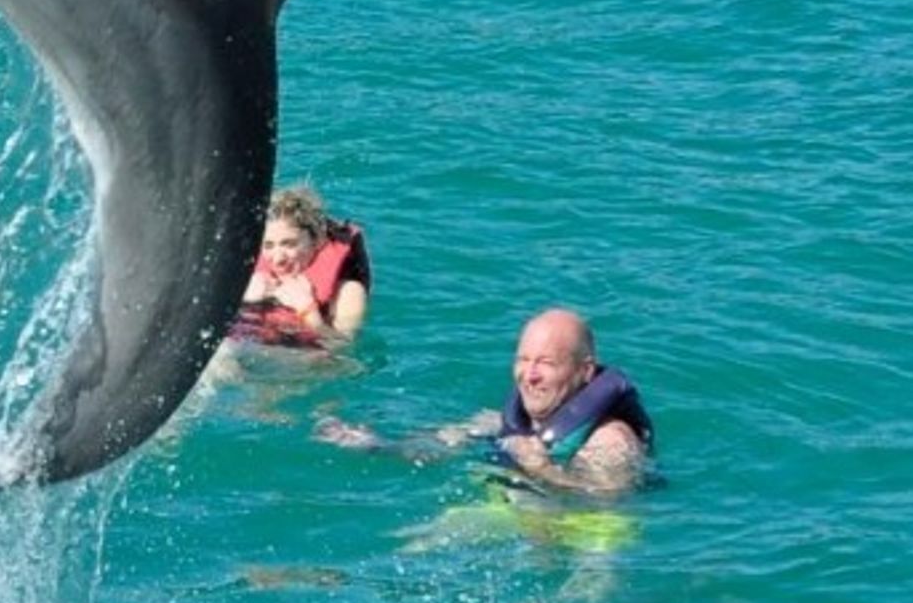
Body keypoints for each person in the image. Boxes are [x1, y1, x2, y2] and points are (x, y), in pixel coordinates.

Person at [319, 306, 653, 493]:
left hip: (582, 537)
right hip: (517, 513)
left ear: (585, 371)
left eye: (546, 363)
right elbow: (438, 447)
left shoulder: (611, 439)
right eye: (523, 360)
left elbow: (606, 502)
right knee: (418, 547)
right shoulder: (502, 421)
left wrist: (541, 468)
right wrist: (376, 444)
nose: (529, 375)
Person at [232, 184, 370, 348]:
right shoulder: (249, 275)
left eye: (289, 244)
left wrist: (308, 311)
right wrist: (242, 300)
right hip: (248, 351)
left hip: (297, 364)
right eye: (268, 246)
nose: (278, 259)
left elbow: (343, 358)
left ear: (317, 241)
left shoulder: (348, 292)